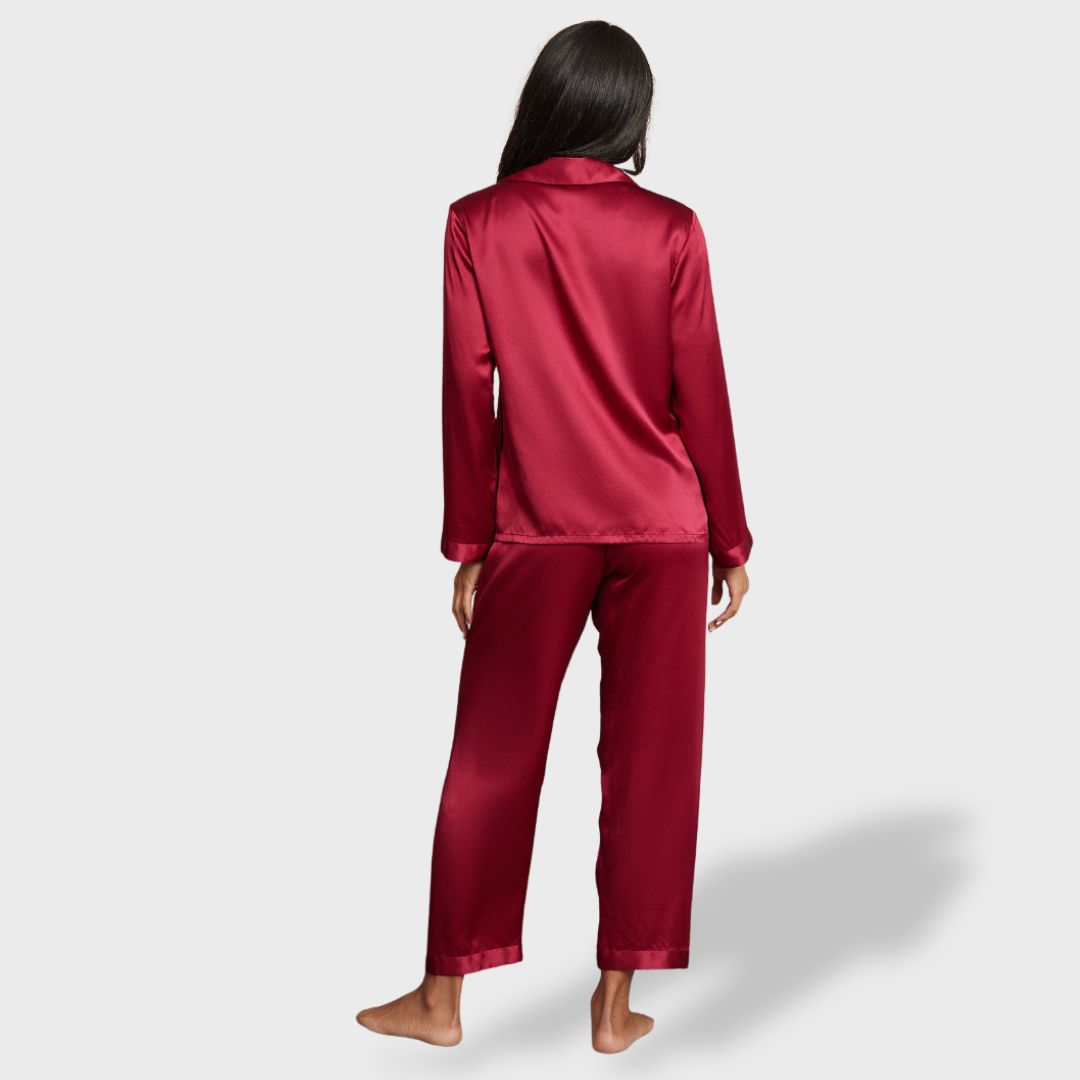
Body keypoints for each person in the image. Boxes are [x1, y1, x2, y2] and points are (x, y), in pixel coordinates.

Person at [356, 20, 752, 1054]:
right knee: (655, 764)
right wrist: (732, 536)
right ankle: (614, 1009)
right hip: (665, 527)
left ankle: (442, 998)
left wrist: (468, 542)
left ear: (546, 101)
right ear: (629, 114)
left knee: (491, 755)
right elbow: (701, 389)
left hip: (537, 525)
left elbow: (466, 389)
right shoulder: (672, 229)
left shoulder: (477, 223)